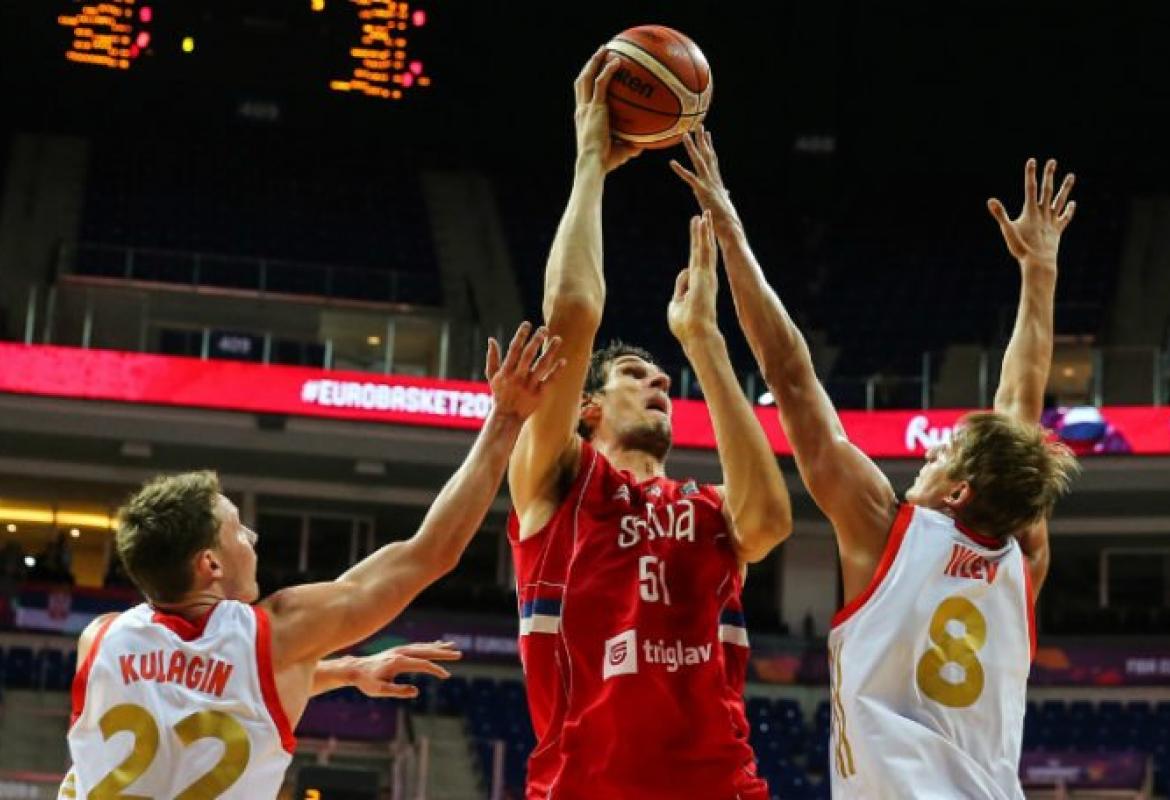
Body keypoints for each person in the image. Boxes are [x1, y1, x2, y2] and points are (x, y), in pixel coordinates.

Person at [674, 132, 1080, 797]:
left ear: (958, 492)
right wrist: (1040, 273)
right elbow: (1020, 409)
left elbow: (792, 377)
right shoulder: (1024, 562)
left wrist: (730, 228)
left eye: (944, 452)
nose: (928, 452)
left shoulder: (887, 531)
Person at [59, 322, 564, 798]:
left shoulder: (100, 640)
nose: (252, 537)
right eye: (237, 529)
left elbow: (193, 684)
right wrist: (506, 419)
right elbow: (429, 552)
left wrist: (344, 670)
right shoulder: (279, 635)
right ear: (210, 565)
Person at [506, 50, 793, 800]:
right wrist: (591, 164)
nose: (660, 380)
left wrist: (706, 342)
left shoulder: (709, 508)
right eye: (635, 375)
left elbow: (770, 521)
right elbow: (572, 316)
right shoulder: (559, 482)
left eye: (662, 376)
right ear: (589, 409)